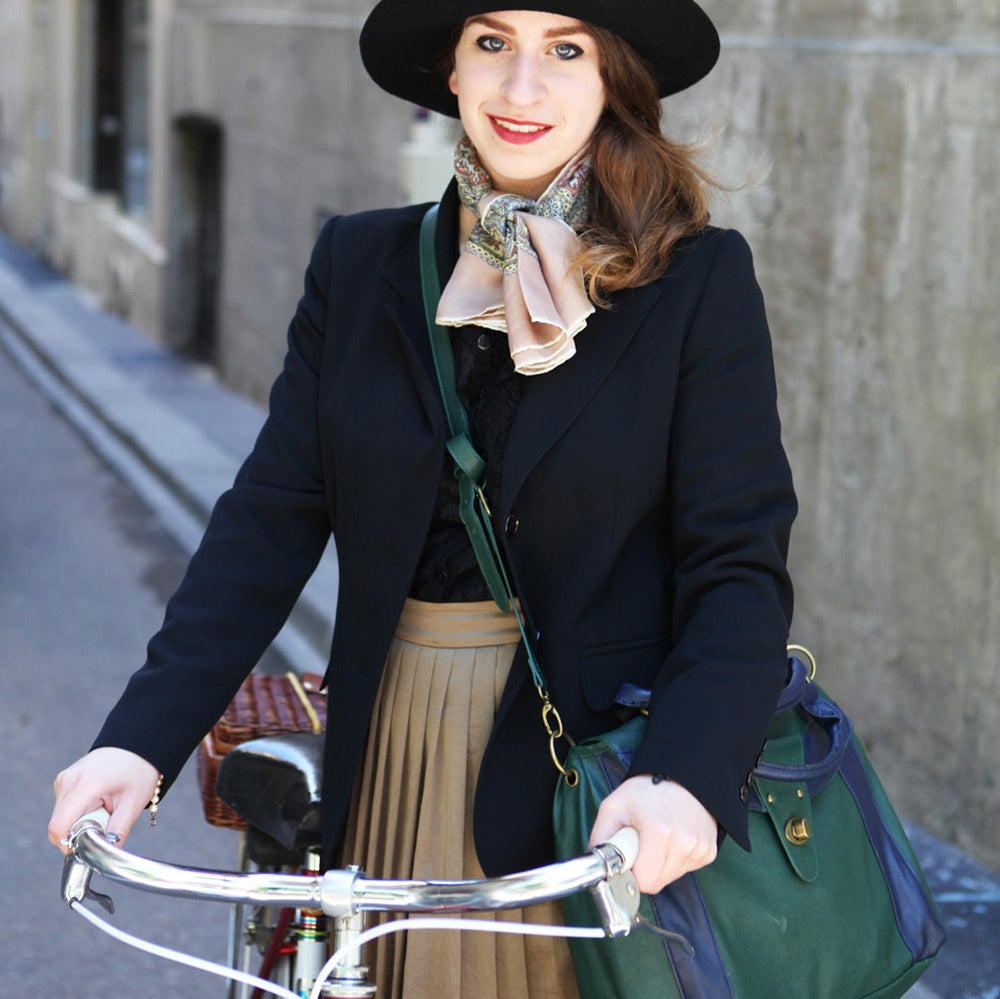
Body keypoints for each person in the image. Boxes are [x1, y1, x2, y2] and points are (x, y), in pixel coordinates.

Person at [50, 2, 797, 996]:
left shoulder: (697, 281)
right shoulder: (360, 265)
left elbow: (736, 564)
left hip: (598, 780)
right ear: (451, 69)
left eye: (563, 50)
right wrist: (139, 741)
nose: (520, 86)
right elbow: (269, 518)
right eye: (491, 43)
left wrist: (686, 777)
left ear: (613, 77)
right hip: (391, 739)